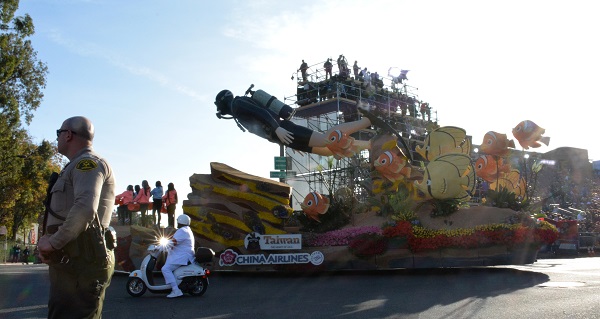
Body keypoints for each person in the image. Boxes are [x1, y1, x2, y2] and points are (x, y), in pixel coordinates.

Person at [37, 116, 115, 319]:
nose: (57, 139)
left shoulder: (87, 163)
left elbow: (85, 208)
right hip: (73, 259)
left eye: (58, 133)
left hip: (81, 261)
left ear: (68, 135)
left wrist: (53, 243)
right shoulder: (75, 165)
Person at [214, 89, 373, 157]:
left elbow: (262, 113)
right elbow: (261, 128)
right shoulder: (237, 111)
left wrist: (278, 130)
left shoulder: (237, 104)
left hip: (283, 130)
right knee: (329, 150)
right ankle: (369, 145)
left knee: (326, 139)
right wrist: (282, 141)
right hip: (283, 136)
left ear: (222, 102)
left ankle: (366, 121)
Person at [161, 214, 195, 298]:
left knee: (165, 269)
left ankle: (176, 290)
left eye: (178, 221)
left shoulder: (182, 231)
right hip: (183, 255)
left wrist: (159, 247)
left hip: (182, 256)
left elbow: (173, 242)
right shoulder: (187, 229)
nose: (177, 223)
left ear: (180, 221)